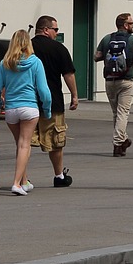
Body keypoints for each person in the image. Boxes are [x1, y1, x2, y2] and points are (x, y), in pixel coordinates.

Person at [0, 29, 50, 195]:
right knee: (25, 144)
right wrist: (46, 110)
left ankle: (25, 181)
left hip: (11, 108)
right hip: (29, 107)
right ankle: (16, 183)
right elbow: (43, 90)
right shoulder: (35, 62)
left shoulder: (5, 63)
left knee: (19, 144)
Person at [31, 15, 77, 188]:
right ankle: (58, 176)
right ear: (46, 30)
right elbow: (68, 74)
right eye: (55, 29)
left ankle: (23, 177)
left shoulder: (26, 47)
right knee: (56, 140)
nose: (57, 33)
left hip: (29, 100)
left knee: (25, 142)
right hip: (53, 101)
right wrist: (74, 95)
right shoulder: (58, 48)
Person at [93, 13, 133, 157]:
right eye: (131, 23)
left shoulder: (107, 38)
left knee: (117, 113)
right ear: (125, 25)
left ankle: (123, 141)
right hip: (126, 80)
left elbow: (96, 57)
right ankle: (117, 143)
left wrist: (109, 56)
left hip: (110, 80)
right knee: (123, 113)